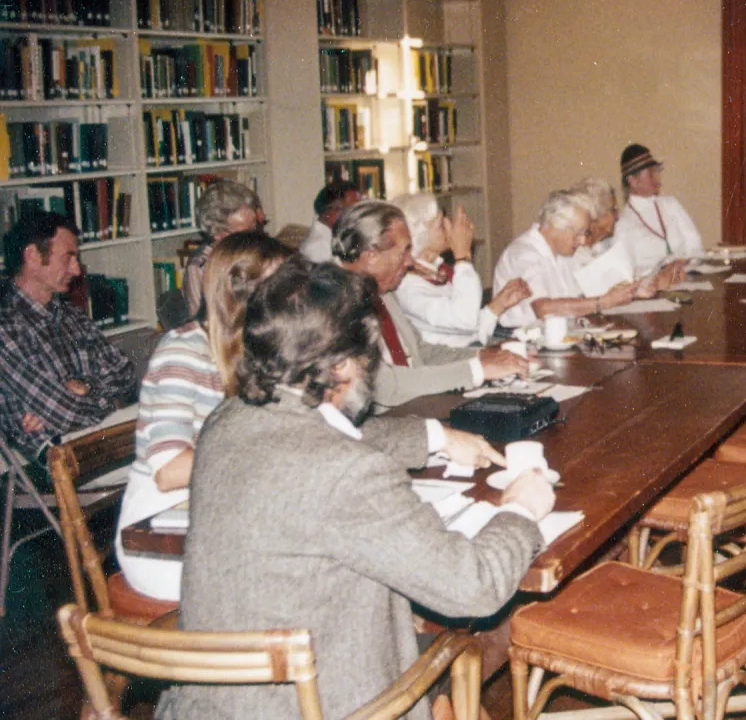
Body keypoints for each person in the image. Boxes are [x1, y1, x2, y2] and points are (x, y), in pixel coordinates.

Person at [159, 259, 553, 720]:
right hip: (323, 705)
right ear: (344, 365)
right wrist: (520, 511)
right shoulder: (349, 472)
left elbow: (312, 440)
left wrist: (435, 438)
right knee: (477, 635)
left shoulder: (227, 421)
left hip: (218, 703)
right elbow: (474, 585)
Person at [116, 233, 292, 601]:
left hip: (221, 513)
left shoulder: (257, 349)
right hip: (160, 536)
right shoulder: (183, 351)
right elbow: (168, 470)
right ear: (242, 293)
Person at [334, 200, 526, 407]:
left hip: (416, 402)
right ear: (372, 256)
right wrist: (477, 370)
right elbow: (385, 387)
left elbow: (422, 352)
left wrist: (486, 356)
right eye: (404, 251)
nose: (409, 261)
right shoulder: (337, 305)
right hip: (384, 418)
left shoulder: (381, 290)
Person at [0, 212, 137, 473]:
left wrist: (86, 387)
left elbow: (126, 374)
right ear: (32, 255)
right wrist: (109, 400)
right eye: (68, 257)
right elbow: (66, 412)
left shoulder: (71, 316)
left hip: (107, 435)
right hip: (66, 455)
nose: (76, 270)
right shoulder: (6, 329)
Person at [391, 192, 531, 347]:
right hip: (445, 365)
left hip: (465, 355)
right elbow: (465, 321)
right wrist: (462, 256)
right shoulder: (408, 287)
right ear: (418, 236)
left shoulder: (435, 272)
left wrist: (498, 305)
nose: (449, 225)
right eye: (440, 224)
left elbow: (465, 332)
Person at [493, 190, 637, 329]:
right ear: (555, 225)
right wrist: (602, 303)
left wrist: (632, 290)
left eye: (585, 233)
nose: (582, 240)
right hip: (518, 339)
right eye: (578, 233)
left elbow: (592, 289)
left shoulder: (565, 252)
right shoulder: (524, 254)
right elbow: (543, 308)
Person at [612, 143, 703, 274]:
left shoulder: (671, 204)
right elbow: (627, 273)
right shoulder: (623, 224)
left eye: (657, 171)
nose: (657, 178)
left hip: (688, 277)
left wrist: (688, 262)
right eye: (650, 173)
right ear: (632, 181)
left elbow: (695, 244)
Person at [184, 180, 265, 315]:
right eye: (244, 234)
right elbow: (200, 323)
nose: (253, 239)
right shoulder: (200, 266)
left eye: (254, 228)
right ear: (217, 234)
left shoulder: (259, 252)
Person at [300, 180, 361, 263]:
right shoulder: (319, 246)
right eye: (352, 210)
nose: (357, 216)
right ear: (330, 210)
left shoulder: (336, 237)